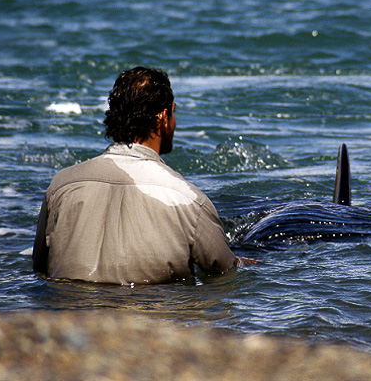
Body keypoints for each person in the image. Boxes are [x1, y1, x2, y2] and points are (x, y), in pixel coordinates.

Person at [33, 66, 242, 284]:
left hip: (69, 314)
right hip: (150, 312)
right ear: (163, 117)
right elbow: (226, 272)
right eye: (173, 112)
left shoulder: (61, 185)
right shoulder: (188, 201)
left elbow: (40, 268)